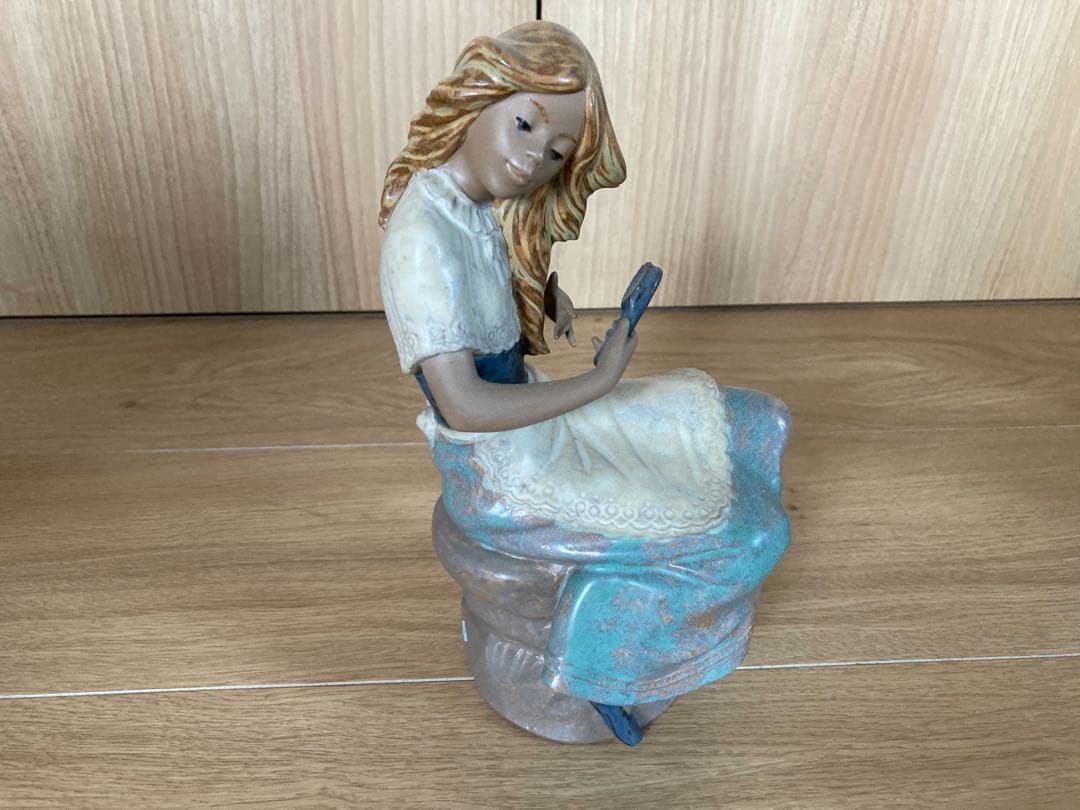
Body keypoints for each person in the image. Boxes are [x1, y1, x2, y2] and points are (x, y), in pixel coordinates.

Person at [378, 21, 790, 745]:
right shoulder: (421, 239)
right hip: (502, 469)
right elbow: (465, 407)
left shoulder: (469, 207)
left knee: (751, 420)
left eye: (555, 151)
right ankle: (600, 652)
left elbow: (484, 289)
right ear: (479, 96)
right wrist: (599, 383)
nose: (532, 157)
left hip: (531, 419)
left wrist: (541, 296)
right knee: (746, 529)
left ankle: (626, 619)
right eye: (525, 124)